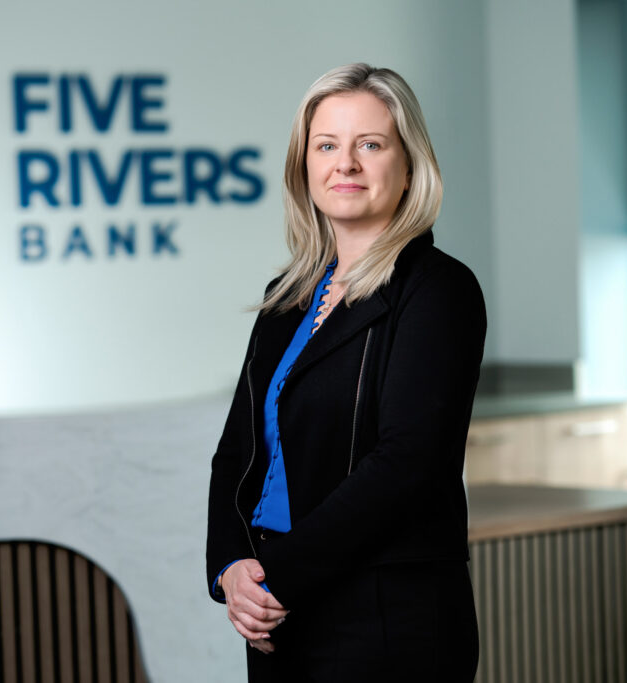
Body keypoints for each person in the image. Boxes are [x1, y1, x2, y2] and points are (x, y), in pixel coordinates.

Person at [206, 63, 485, 682]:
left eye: (371, 144)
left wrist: (280, 577)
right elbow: (238, 451)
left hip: (385, 620)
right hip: (279, 618)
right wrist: (231, 566)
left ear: (409, 164)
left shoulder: (438, 291)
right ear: (304, 166)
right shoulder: (286, 296)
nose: (346, 164)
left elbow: (406, 463)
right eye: (327, 145)